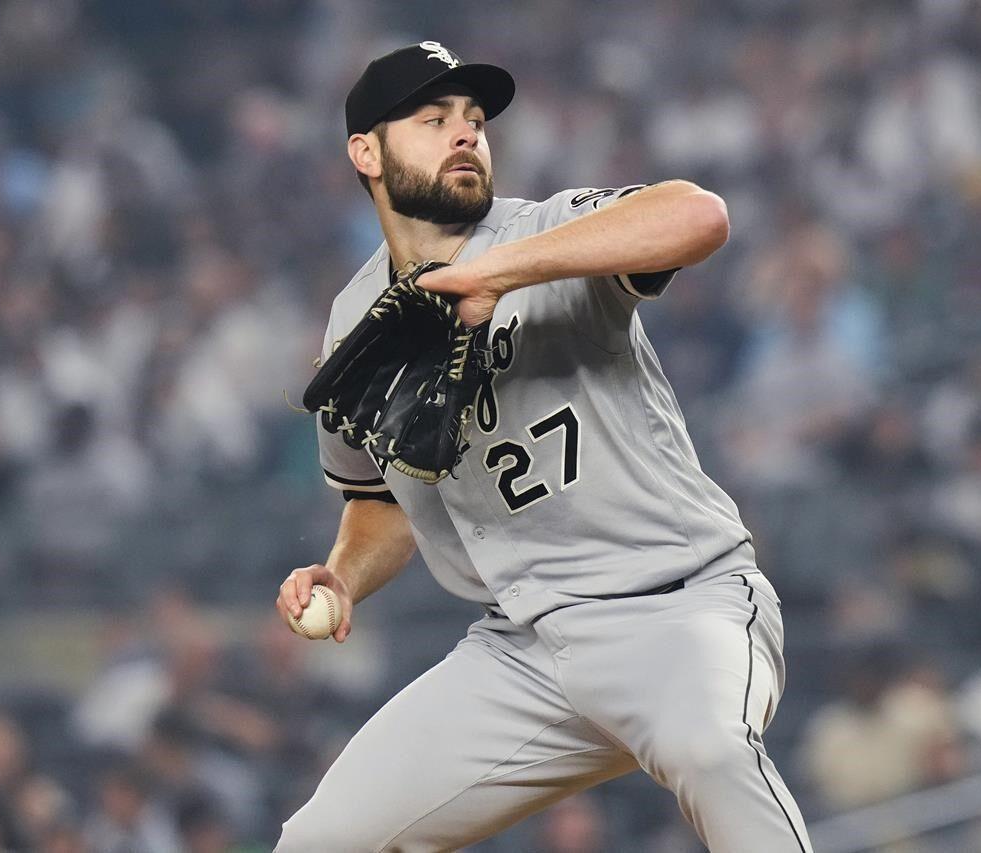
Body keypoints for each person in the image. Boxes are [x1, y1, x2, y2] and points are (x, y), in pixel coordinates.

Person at [274, 42, 809, 852]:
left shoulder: (548, 232)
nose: (465, 134)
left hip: (676, 602)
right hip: (523, 648)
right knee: (323, 840)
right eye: (434, 119)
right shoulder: (357, 322)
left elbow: (699, 217)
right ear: (366, 152)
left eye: (475, 121)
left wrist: (500, 273)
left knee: (713, 750)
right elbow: (381, 502)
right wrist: (341, 574)